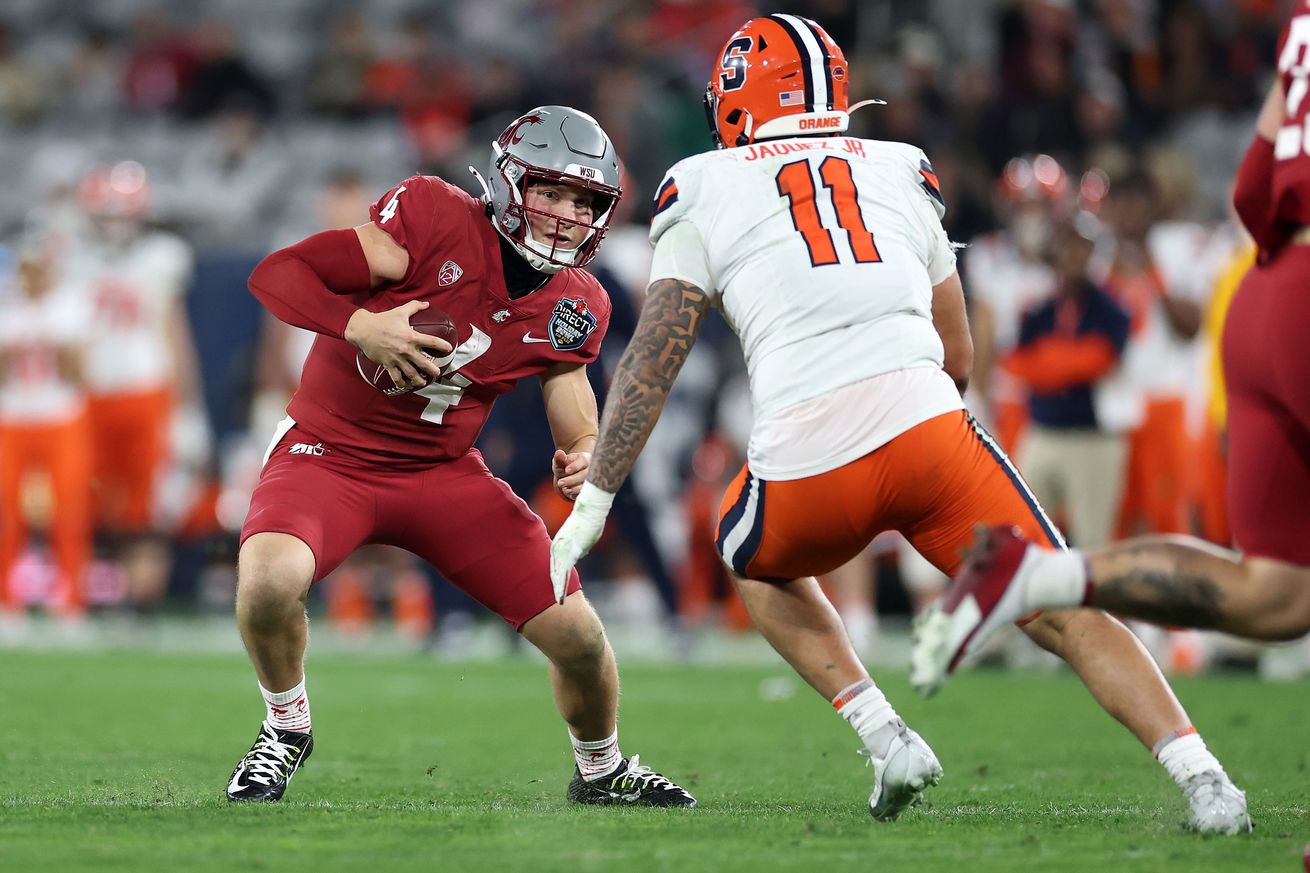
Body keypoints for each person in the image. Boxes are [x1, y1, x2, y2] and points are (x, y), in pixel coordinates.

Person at [549, 14, 1250, 832]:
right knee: (1065, 600)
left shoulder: (701, 182)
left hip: (809, 461)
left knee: (746, 549)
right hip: (930, 435)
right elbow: (957, 351)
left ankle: (886, 737)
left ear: (740, 97)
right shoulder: (902, 167)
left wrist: (593, 504)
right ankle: (1208, 783)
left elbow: (654, 357)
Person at [226, 105, 694, 809]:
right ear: (509, 184)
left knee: (581, 640)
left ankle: (602, 770)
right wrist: (362, 325)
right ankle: (284, 729)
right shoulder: (431, 217)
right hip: (332, 453)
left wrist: (585, 452)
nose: (568, 214)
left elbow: (570, 399)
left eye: (585, 201)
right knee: (267, 582)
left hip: (442, 474)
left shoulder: (578, 299)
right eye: (552, 192)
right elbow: (279, 274)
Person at [911, 1, 1310, 707]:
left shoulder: (1299, 27)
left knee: (1278, 593)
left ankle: (1038, 578)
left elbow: (1252, 194)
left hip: (1266, 292)